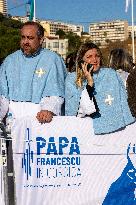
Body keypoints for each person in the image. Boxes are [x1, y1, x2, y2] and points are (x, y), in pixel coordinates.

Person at [0, 21, 66, 123]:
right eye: (23, 37)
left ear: (41, 40)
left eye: (30, 38)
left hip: (40, 121)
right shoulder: (9, 60)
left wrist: (48, 110)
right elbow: (2, 94)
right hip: (11, 122)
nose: (25, 41)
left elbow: (55, 92)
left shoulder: (52, 60)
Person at [65, 42, 135, 135]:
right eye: (89, 56)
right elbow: (76, 109)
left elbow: (124, 101)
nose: (94, 60)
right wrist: (89, 83)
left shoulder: (110, 74)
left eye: (97, 56)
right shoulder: (72, 79)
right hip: (85, 130)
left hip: (118, 128)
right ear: (81, 60)